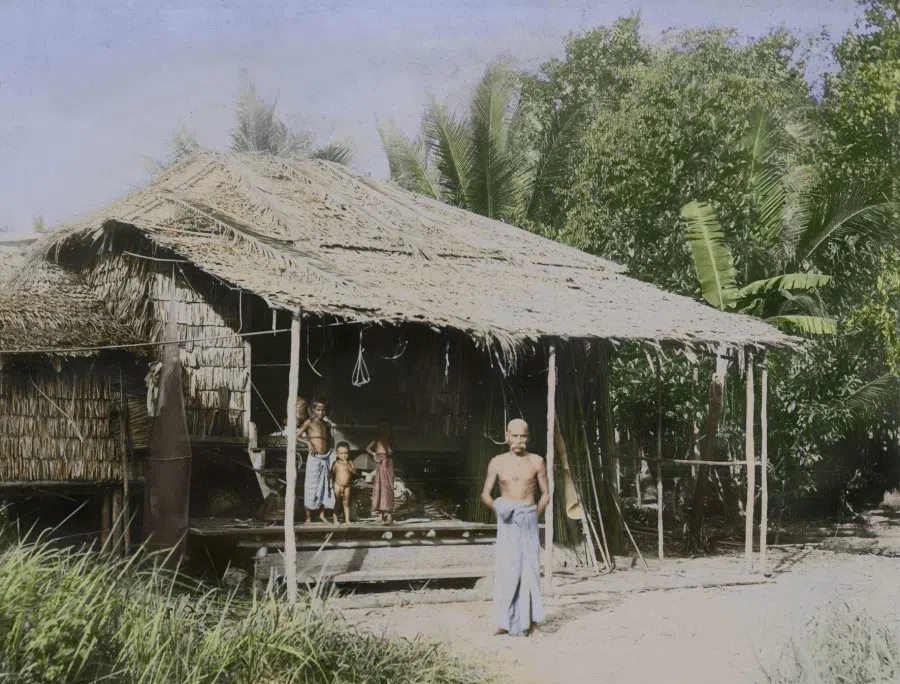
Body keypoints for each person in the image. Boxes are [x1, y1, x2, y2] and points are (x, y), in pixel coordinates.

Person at [480, 418, 549, 637]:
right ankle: (503, 622)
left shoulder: (537, 461)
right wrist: (499, 508)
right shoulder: (497, 462)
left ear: (528, 437)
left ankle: (533, 624)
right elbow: (485, 494)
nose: (519, 440)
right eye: (515, 435)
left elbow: (546, 493)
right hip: (507, 520)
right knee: (507, 570)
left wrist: (534, 515)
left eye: (523, 436)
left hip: (528, 518)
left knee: (530, 570)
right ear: (507, 436)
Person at [299, 397, 336, 523]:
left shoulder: (327, 425)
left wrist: (331, 454)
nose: (321, 412)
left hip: (326, 458)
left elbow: (329, 440)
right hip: (314, 458)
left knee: (324, 486)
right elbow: (297, 436)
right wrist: (308, 443)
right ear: (313, 410)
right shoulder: (309, 422)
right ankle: (308, 516)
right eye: (318, 409)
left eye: (323, 410)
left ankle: (321, 514)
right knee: (311, 486)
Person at [366, 423, 395, 525]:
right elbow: (368, 448)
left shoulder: (390, 440)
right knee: (379, 488)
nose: (385, 432)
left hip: (387, 464)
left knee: (388, 488)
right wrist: (374, 454)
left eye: (387, 430)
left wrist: (388, 446)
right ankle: (380, 515)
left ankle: (390, 515)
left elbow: (390, 452)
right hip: (379, 464)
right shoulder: (376, 440)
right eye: (383, 430)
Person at [330, 441, 357, 524]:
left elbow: (354, 471)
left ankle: (347, 520)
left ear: (349, 453)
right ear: (337, 454)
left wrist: (347, 465)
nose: (344, 455)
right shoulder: (336, 463)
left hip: (347, 486)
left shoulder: (350, 462)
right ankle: (335, 520)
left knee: (346, 503)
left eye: (346, 453)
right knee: (337, 503)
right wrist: (330, 482)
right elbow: (330, 473)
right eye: (341, 453)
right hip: (337, 485)